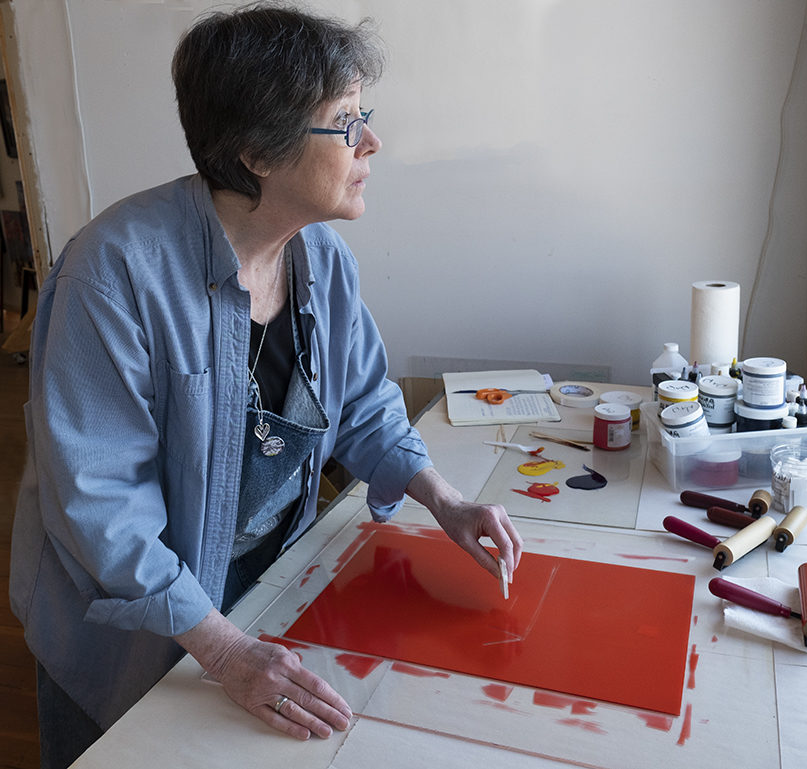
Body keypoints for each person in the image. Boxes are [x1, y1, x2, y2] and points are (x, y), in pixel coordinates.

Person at [9, 4, 523, 767]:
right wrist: (221, 650)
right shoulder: (113, 274)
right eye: (346, 121)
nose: (372, 141)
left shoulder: (322, 259)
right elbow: (103, 508)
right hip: (134, 620)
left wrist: (444, 499)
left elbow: (364, 403)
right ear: (257, 150)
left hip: (261, 586)